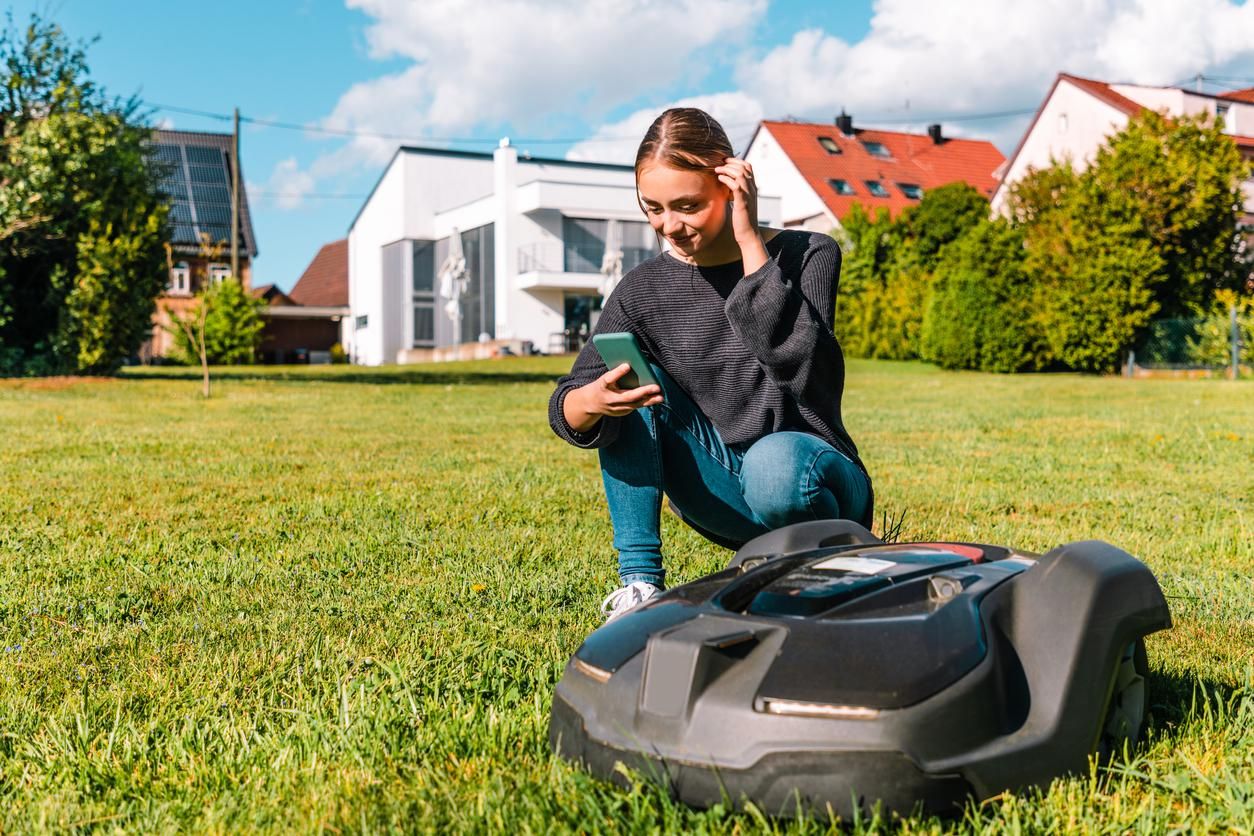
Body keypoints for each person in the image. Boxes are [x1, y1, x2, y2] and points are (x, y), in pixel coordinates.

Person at [547, 107, 872, 621]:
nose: (668, 226)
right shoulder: (640, 292)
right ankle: (640, 588)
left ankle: (826, 562)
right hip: (723, 492)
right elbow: (568, 402)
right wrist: (590, 401)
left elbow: (805, 371)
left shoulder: (810, 253)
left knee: (773, 464)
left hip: (814, 480)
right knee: (630, 385)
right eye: (652, 208)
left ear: (731, 182)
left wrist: (748, 243)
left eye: (687, 205)